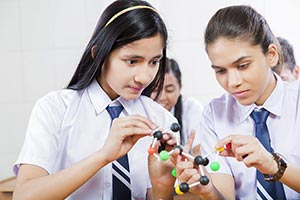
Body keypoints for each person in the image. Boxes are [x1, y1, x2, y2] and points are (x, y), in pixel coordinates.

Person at [12, 0, 178, 199]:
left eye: (154, 62)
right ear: (99, 53)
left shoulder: (162, 121)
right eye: (132, 61)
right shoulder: (55, 109)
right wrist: (103, 156)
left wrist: (162, 186)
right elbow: (24, 196)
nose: (144, 76)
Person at [175, 5, 300, 200]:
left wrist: (274, 167)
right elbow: (225, 196)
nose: (232, 83)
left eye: (243, 66)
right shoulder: (215, 114)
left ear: (271, 55)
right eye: (220, 71)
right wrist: (208, 192)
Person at [150, 58, 204, 152]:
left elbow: (199, 149)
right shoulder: (140, 109)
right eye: (155, 90)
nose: (162, 97)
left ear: (180, 88)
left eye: (169, 90)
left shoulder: (192, 109)